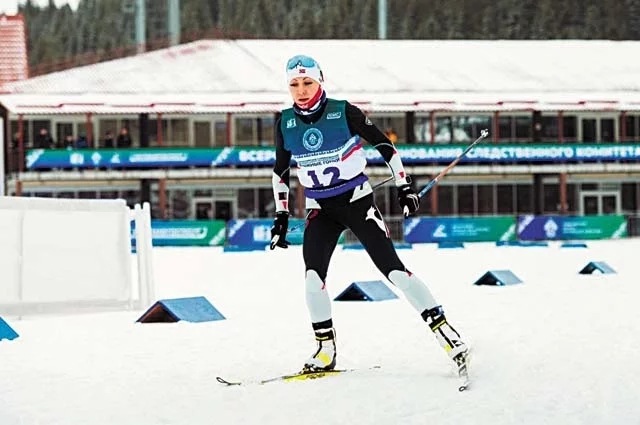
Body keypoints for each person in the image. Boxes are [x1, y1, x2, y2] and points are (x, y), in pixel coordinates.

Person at [270, 55, 469, 373]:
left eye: (308, 82)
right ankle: (325, 350)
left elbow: (384, 146)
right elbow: (280, 172)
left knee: (394, 272)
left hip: (358, 204)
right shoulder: (284, 122)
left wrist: (403, 187)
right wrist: (280, 216)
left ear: (320, 81)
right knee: (312, 279)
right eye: (294, 84)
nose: (301, 90)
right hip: (320, 210)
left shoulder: (343, 111)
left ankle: (447, 334)